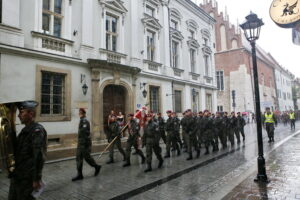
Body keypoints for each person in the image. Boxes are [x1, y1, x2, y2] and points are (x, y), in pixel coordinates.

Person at [9, 101, 47, 200]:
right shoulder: (24, 131)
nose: (18, 115)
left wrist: (36, 179)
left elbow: (38, 156)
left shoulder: (37, 131)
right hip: (18, 175)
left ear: (30, 114)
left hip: (27, 179)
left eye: (21, 112)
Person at [72, 108, 101, 181]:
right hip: (80, 143)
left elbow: (84, 133)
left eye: (81, 113)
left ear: (84, 114)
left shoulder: (85, 121)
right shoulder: (81, 120)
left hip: (84, 143)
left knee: (87, 157)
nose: (80, 114)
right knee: (78, 158)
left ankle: (96, 166)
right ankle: (79, 174)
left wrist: (84, 144)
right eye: (79, 113)